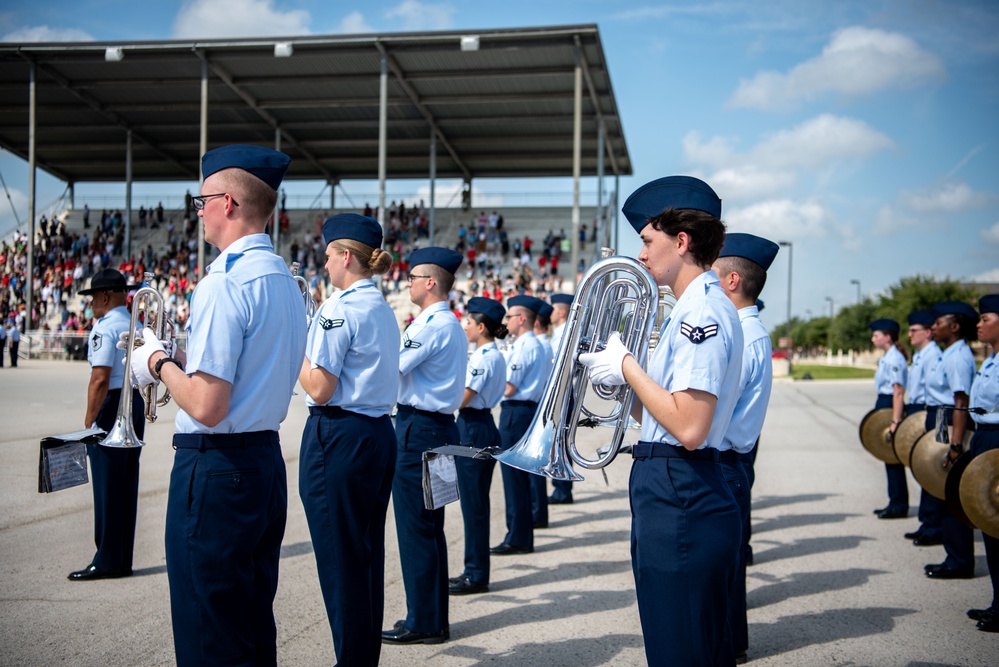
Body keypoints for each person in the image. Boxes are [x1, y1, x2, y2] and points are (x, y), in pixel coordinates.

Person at [129, 144, 306, 666]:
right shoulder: (286, 281)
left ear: (227, 201)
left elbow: (207, 405)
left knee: (209, 631)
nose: (198, 209)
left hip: (216, 469)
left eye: (201, 199)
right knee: (251, 626)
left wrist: (157, 362)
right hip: (262, 464)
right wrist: (185, 356)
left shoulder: (223, 282)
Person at [577, 175, 743, 666]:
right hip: (672, 482)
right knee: (679, 642)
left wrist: (627, 365)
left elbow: (689, 428)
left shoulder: (701, 315)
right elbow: (666, 414)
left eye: (648, 241)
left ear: (682, 241)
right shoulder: (689, 309)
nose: (642, 255)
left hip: (681, 487)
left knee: (680, 648)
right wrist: (621, 383)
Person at [298, 213, 400, 665]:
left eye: (326, 256)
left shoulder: (338, 308)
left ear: (344, 256)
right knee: (364, 556)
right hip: (376, 433)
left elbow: (319, 386)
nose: (323, 265)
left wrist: (291, 349)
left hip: (339, 435)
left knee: (340, 562)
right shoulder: (380, 306)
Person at [383, 247, 466, 646]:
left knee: (418, 527)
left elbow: (393, 368)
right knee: (431, 526)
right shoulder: (446, 322)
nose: (408, 282)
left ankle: (424, 620)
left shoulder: (431, 325)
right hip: (439, 430)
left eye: (413, 277)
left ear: (430, 282)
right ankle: (431, 616)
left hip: (419, 431)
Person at [712, 232, 778, 662]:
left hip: (723, 462)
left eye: (712, 275)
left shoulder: (744, 337)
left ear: (732, 280)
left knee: (722, 571)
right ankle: (730, 642)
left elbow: (710, 411)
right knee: (725, 568)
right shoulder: (746, 332)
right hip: (729, 461)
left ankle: (727, 645)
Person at [68, 269, 144, 581]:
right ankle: (121, 555)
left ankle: (108, 558)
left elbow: (99, 378)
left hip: (112, 405)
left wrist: (89, 420)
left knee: (107, 484)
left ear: (104, 296)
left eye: (92, 300)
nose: (91, 307)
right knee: (125, 484)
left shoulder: (105, 327)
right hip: (133, 403)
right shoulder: (136, 323)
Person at [449, 296, 508, 596]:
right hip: (480, 425)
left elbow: (461, 399)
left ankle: (475, 573)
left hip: (473, 427)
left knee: (474, 506)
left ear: (481, 326)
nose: (465, 326)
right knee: (476, 505)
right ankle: (474, 569)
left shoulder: (485, 357)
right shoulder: (491, 355)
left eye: (469, 322)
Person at [924, 301, 978, 579]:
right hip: (944, 420)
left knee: (952, 492)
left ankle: (959, 561)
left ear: (955, 327)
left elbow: (961, 402)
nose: (933, 326)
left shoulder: (958, 357)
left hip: (954, 424)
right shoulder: (950, 353)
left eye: (939, 322)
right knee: (944, 490)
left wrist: (955, 446)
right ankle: (953, 556)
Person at [493, 294, 548, 553]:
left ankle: (517, 537)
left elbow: (508, 388)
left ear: (522, 319)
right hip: (524, 412)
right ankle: (520, 535)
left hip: (516, 412)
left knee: (514, 479)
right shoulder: (530, 345)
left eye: (510, 317)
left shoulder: (526, 346)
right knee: (519, 478)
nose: (507, 321)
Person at [966, 294, 999, 632]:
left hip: (998, 440)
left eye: (986, 318)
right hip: (985, 436)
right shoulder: (991, 361)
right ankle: (997, 603)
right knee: (990, 523)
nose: (979, 324)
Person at [903, 310, 945, 546]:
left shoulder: (933, 355)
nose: (909, 334)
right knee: (923, 467)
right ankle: (927, 522)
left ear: (927, 332)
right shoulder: (921, 355)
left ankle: (934, 525)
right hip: (921, 410)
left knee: (934, 466)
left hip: (936, 413)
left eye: (914, 330)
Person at [869, 318, 909, 519]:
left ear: (887, 336)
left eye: (876, 335)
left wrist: (895, 421)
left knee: (893, 458)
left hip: (890, 406)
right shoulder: (888, 356)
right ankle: (894, 500)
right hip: (883, 403)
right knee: (888, 458)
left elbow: (898, 392)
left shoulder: (894, 359)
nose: (873, 338)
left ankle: (899, 504)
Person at [547, 293, 576, 505]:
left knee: (559, 442)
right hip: (563, 392)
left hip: (562, 392)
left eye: (552, 309)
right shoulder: (561, 333)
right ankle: (562, 487)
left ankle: (562, 489)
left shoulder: (564, 334)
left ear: (561, 312)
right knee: (557, 441)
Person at [530, 301, 555, 528]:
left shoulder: (537, 345)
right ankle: (538, 511)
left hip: (533, 405)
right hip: (540, 403)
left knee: (532, 468)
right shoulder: (544, 344)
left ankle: (537, 512)